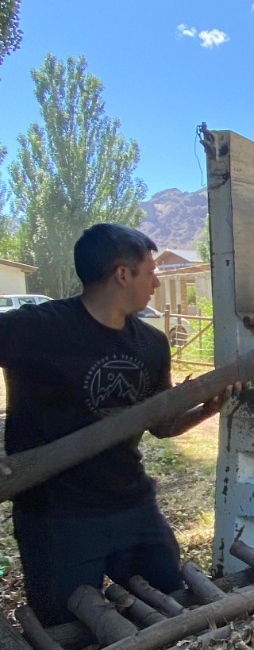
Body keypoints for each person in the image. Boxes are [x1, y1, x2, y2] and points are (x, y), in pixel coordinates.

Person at [0, 224, 231, 625]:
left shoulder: (150, 344)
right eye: (151, 272)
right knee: (67, 631)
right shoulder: (36, 328)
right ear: (122, 274)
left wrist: (207, 408)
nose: (157, 283)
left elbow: (160, 426)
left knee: (172, 609)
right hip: (57, 518)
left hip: (134, 507)